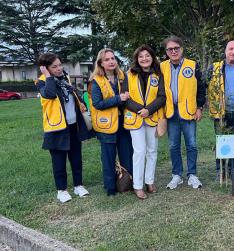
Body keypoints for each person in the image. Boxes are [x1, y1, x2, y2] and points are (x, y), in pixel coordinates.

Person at [36, 52, 90, 203]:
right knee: (59, 161)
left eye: (60, 65)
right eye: (54, 67)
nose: (59, 68)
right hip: (56, 129)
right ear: (45, 68)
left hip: (73, 126)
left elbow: (72, 95)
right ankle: (62, 190)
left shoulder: (64, 78)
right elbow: (50, 94)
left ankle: (78, 185)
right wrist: (47, 76)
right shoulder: (41, 82)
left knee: (76, 158)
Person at [160, 36, 206, 189]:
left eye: (176, 48)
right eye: (170, 49)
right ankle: (177, 175)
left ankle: (192, 174)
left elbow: (201, 87)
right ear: (166, 51)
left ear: (181, 49)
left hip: (189, 111)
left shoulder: (192, 65)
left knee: (191, 144)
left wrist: (199, 107)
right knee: (173, 145)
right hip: (170, 111)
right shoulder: (161, 67)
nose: (173, 51)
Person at [122, 45, 166, 199]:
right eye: (141, 56)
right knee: (140, 151)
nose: (144, 59)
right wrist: (141, 110)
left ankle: (150, 181)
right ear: (137, 59)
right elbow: (125, 98)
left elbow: (162, 96)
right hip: (135, 118)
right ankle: (138, 186)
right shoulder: (128, 75)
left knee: (152, 150)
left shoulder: (158, 74)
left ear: (152, 57)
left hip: (152, 117)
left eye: (147, 56)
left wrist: (149, 110)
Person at [90, 48, 133, 196]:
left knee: (126, 153)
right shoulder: (96, 80)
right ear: (100, 63)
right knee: (108, 157)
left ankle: (127, 183)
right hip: (106, 124)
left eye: (113, 58)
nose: (111, 61)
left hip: (123, 122)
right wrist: (118, 99)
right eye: (107, 59)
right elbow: (97, 103)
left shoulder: (123, 76)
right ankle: (110, 188)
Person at [208, 40, 234, 181]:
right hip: (220, 113)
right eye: (231, 49)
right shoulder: (214, 68)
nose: (233, 52)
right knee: (221, 142)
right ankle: (220, 172)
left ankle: (233, 170)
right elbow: (203, 85)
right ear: (225, 51)